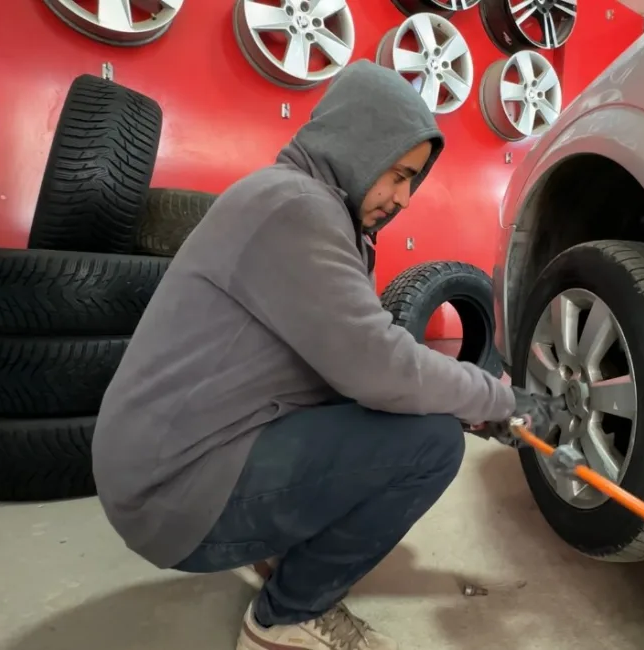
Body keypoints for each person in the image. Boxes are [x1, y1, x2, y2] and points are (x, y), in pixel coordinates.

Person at [91, 60, 559, 650]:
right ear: (356, 145)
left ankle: (277, 552)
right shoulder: (295, 209)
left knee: (409, 415)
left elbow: (350, 371)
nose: (404, 198)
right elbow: (380, 369)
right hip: (172, 495)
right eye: (396, 174)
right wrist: (499, 396)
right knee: (431, 446)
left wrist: (478, 408)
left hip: (166, 466)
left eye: (412, 180)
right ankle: (285, 615)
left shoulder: (304, 207)